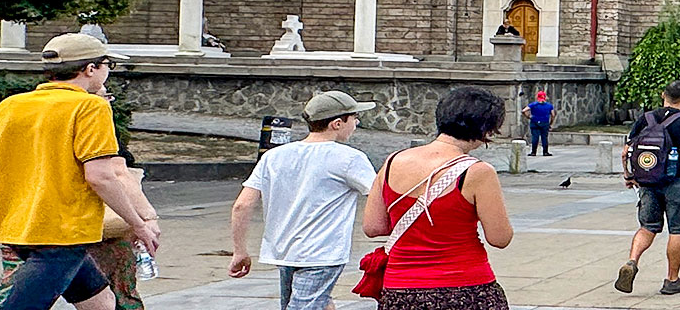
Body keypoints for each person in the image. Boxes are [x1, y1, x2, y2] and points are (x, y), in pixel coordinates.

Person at [0, 34, 157, 310]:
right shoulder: (91, 106)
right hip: (63, 237)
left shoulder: (10, 107)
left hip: (19, 233)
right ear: (90, 69)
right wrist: (139, 224)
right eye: (108, 65)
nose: (108, 72)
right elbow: (101, 176)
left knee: (103, 304)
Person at [361, 87, 514, 310]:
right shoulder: (478, 172)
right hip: (465, 287)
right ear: (487, 128)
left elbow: (373, 227)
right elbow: (500, 238)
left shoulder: (393, 161)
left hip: (400, 290)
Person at [229, 90, 380, 310]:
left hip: (284, 250)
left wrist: (240, 250)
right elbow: (378, 196)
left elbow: (242, 205)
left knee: (310, 302)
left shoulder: (274, 156)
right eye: (354, 117)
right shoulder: (350, 158)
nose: (356, 122)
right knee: (311, 304)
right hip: (323, 253)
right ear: (337, 123)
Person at [618, 81, 680, 295]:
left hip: (648, 182)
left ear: (663, 95)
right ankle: (672, 280)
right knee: (678, 229)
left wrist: (629, 176)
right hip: (677, 183)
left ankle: (632, 261)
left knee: (648, 226)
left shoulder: (645, 118)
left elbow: (625, 152)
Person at [522, 91, 555, 157]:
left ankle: (533, 152)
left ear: (537, 97)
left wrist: (528, 116)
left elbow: (524, 110)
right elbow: (553, 115)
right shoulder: (549, 106)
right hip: (545, 122)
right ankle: (545, 152)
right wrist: (551, 123)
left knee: (535, 137)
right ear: (545, 97)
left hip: (534, 122)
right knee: (544, 138)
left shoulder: (533, 104)